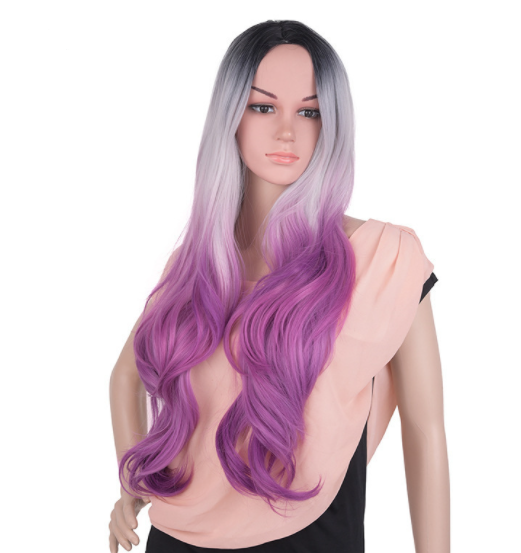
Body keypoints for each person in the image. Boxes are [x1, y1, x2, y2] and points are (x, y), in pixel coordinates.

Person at [109, 20, 449, 553]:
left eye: (309, 112)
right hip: (178, 537)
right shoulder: (197, 266)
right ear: (231, 116)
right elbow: (126, 375)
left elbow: (426, 432)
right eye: (263, 107)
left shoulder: (384, 260)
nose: (287, 131)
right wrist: (134, 485)